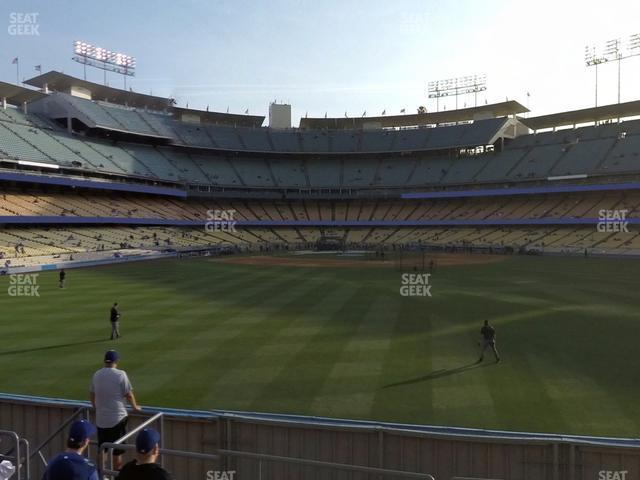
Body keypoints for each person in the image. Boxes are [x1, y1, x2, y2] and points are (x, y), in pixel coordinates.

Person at [90, 350, 141, 471]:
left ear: (104, 361)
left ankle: (100, 475)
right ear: (116, 361)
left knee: (103, 449)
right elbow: (128, 394)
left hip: (101, 419)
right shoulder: (120, 374)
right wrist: (135, 407)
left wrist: (97, 407)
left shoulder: (97, 374)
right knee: (117, 452)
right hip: (117, 418)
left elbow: (92, 395)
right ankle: (116, 475)